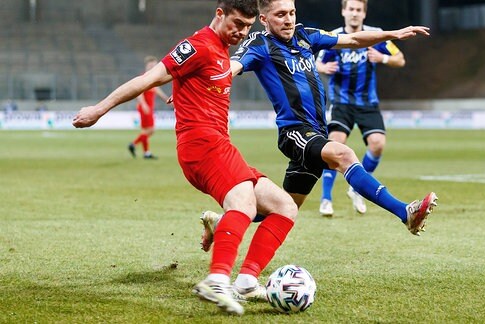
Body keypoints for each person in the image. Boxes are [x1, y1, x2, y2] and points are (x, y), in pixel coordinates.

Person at [73, 0, 298, 316]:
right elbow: (148, 79)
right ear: (219, 14)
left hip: (217, 144)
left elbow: (200, 83)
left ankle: (246, 281)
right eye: (236, 23)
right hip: (202, 146)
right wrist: (99, 109)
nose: (241, 32)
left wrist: (186, 92)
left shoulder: (221, 49)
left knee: (284, 206)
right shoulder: (199, 45)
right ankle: (217, 279)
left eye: (248, 27)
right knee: (244, 204)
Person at [199, 0, 438, 255]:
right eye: (280, 15)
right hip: (295, 133)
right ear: (264, 19)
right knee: (344, 154)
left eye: (291, 12)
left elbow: (354, 40)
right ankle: (405, 212)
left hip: (316, 133)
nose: (289, 19)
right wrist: (195, 89)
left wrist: (391, 34)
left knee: (282, 208)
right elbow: (229, 69)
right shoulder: (259, 45)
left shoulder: (306, 36)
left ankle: (220, 223)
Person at [316, 0, 407, 216]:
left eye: (359, 10)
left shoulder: (376, 35)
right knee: (335, 145)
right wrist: (324, 67)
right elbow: (316, 62)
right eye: (351, 9)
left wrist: (382, 57)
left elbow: (400, 59)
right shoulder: (334, 36)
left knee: (377, 145)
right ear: (343, 11)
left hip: (368, 103)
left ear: (364, 14)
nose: (354, 14)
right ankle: (326, 198)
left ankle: (357, 187)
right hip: (341, 102)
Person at [128, 56, 170, 160]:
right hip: (145, 108)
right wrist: (143, 104)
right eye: (151, 65)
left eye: (154, 65)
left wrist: (165, 98)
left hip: (148, 107)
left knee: (146, 130)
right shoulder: (144, 77)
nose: (153, 67)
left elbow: (156, 90)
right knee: (151, 130)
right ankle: (133, 144)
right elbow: (139, 92)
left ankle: (146, 153)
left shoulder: (152, 77)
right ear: (147, 66)